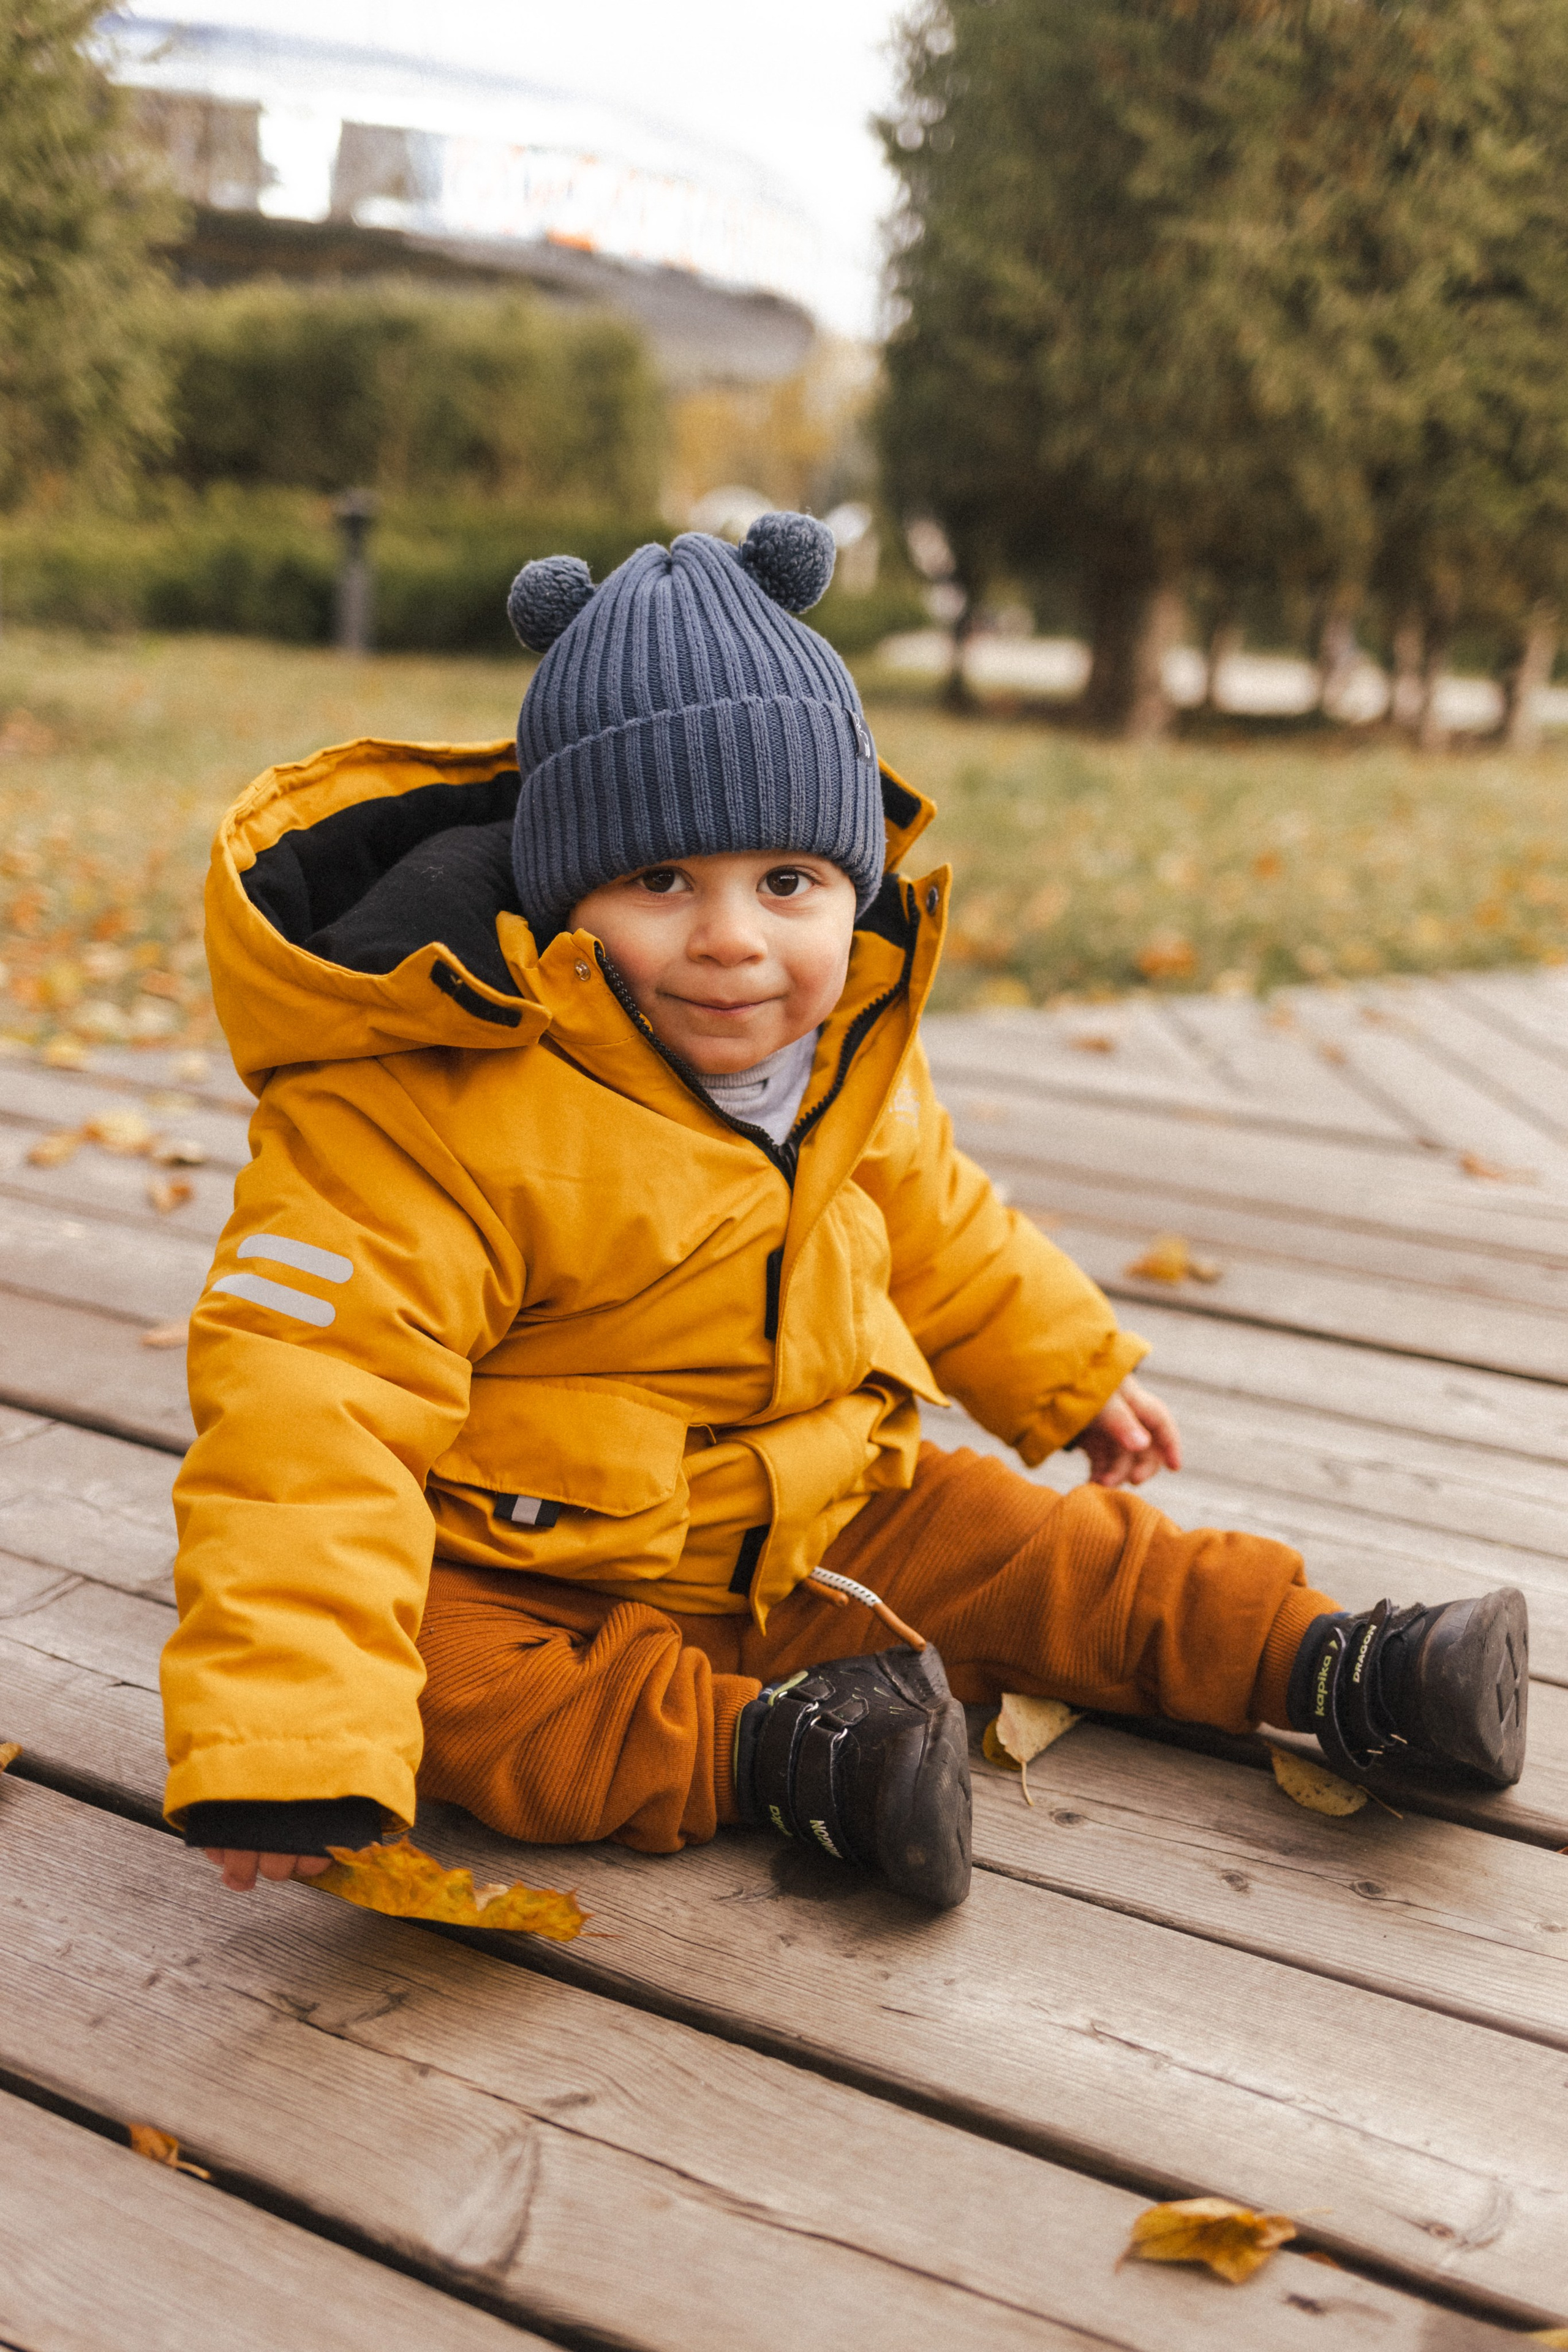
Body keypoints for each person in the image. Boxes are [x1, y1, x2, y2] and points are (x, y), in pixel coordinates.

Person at [163, 516, 1529, 1912]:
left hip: (820, 1510)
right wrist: (291, 1739)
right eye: (657, 882)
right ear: (560, 890)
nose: (733, 937)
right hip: (534, 1568)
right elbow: (308, 1404)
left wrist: (1060, 1368)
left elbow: (932, 1214)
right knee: (452, 1698)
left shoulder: (845, 1044)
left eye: (787, 881)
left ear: (849, 884)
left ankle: (1340, 1665)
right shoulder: (422, 1097)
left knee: (1046, 1556)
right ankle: (783, 1757)